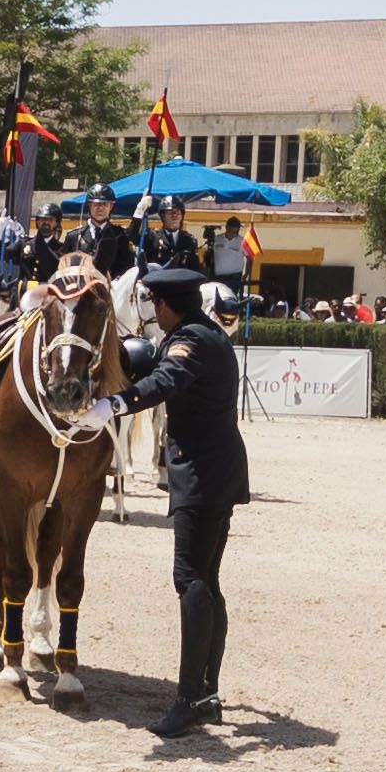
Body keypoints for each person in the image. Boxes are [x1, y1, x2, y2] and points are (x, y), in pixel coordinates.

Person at [88, 265, 253, 735]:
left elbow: (167, 381)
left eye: (155, 305)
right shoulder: (207, 332)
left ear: (164, 305)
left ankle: (189, 698)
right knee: (207, 580)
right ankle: (207, 692)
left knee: (191, 579)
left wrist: (115, 405)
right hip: (216, 468)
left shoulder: (192, 340)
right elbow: (161, 368)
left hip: (202, 472)